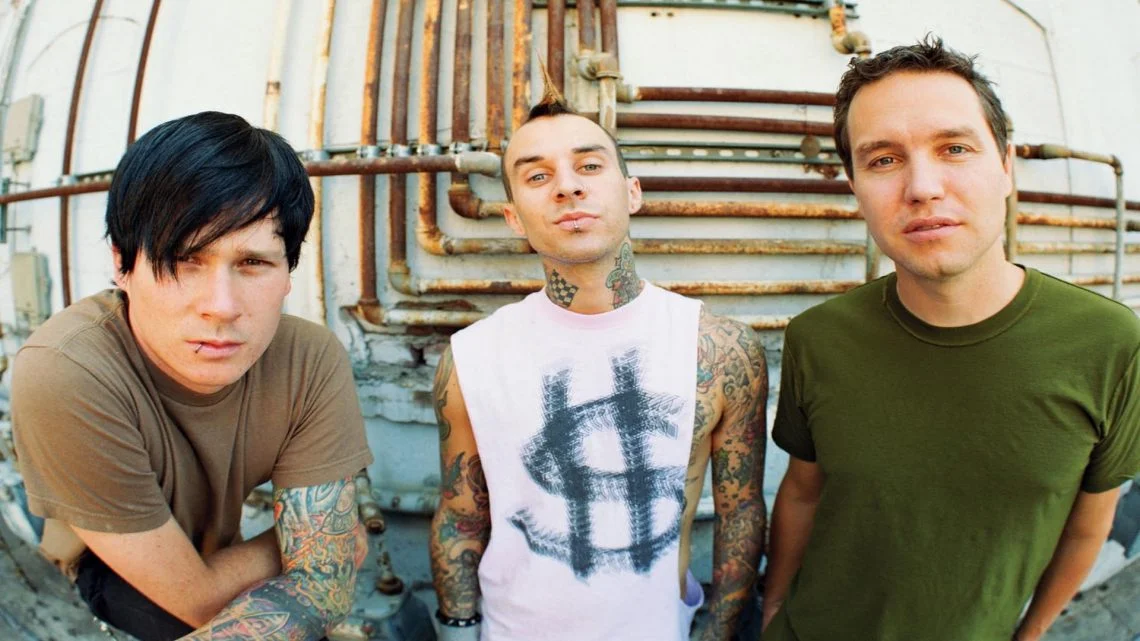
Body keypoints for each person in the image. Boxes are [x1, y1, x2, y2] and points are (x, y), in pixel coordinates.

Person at [761, 37, 1140, 641]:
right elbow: (803, 494)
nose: (922, 187)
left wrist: (1029, 634)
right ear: (854, 185)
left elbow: (1089, 524)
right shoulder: (819, 338)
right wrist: (774, 610)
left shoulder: (1111, 344)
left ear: (1006, 166)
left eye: (954, 148)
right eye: (883, 159)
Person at [11, 111, 373, 641]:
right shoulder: (66, 370)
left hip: (220, 556)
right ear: (122, 265)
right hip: (98, 583)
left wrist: (318, 564)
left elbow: (327, 587)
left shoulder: (309, 359)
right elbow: (200, 599)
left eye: (253, 263)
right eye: (184, 260)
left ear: (288, 273)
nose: (221, 307)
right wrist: (308, 543)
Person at [429, 89, 768, 641]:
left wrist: (720, 631)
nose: (568, 186)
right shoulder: (471, 357)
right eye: (538, 176)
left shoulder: (718, 349)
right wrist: (458, 631)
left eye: (589, 165)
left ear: (632, 191)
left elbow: (742, 510)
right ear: (514, 218)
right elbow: (460, 516)